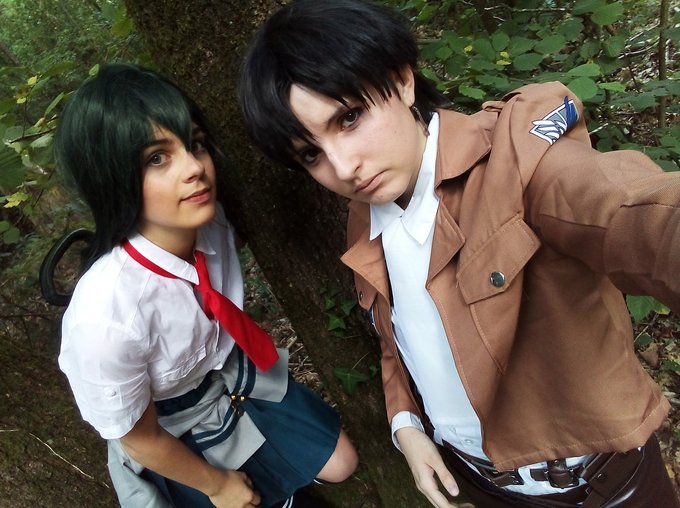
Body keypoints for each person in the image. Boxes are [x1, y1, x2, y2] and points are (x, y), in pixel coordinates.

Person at [237, 0, 680, 506]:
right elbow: (397, 336)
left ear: (402, 80)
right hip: (479, 484)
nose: (343, 167)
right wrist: (406, 425)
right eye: (311, 153)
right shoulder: (366, 217)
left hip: (601, 489)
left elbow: (630, 211)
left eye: (350, 118)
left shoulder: (516, 165)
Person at [55, 63, 358, 508]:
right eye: (157, 158)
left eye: (195, 144)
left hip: (231, 370)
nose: (195, 168)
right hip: (171, 425)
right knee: (243, 498)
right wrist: (215, 485)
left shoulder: (212, 223)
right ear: (111, 178)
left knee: (341, 463)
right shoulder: (106, 320)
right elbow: (138, 438)